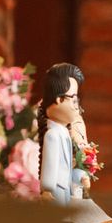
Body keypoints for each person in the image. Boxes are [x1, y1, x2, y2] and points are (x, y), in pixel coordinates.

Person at [38, 62, 88, 206]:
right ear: (59, 100)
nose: (76, 105)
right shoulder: (52, 135)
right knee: (57, 222)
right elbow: (50, 166)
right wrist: (46, 190)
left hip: (65, 187)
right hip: (56, 190)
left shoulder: (66, 133)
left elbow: (67, 167)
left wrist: (80, 177)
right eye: (73, 99)